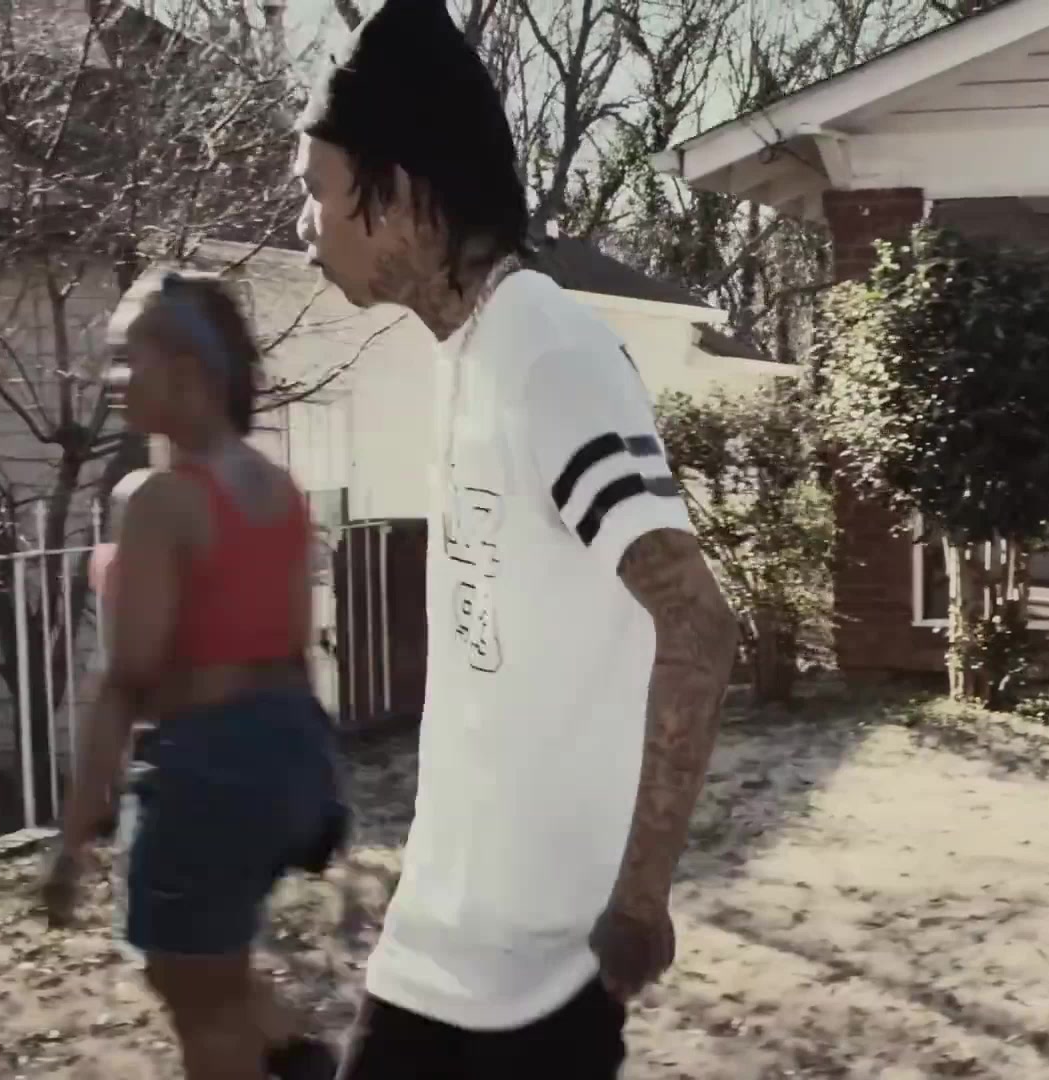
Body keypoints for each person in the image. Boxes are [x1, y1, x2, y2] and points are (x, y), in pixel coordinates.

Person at [291, 1, 739, 1075]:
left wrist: (641, 901)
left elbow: (697, 621)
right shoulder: (470, 355)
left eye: (317, 190)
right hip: (445, 943)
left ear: (401, 194)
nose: (304, 225)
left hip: (537, 981)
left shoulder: (550, 352)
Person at [43, 272, 347, 1080]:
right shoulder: (280, 491)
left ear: (186, 374)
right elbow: (294, 649)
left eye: (129, 358)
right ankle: (301, 1060)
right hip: (291, 760)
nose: (115, 377)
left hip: (207, 771)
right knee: (218, 967)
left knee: (192, 994)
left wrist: (73, 837)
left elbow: (128, 678)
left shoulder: (161, 499)